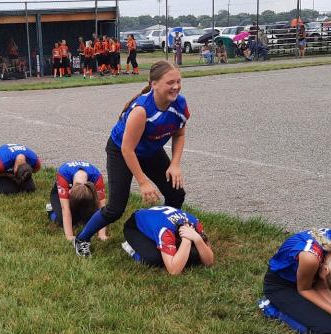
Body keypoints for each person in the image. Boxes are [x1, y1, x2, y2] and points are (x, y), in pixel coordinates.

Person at [73, 60, 188, 257]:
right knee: (115, 208)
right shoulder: (141, 110)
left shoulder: (180, 103)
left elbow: (179, 134)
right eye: (170, 82)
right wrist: (143, 182)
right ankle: (82, 239)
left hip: (149, 150)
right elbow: (127, 149)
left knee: (176, 193)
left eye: (178, 81)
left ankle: (163, 231)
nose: (176, 86)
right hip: (121, 151)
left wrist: (175, 164)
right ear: (154, 84)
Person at [259, 228, 331, 334]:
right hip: (282, 285)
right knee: (329, 333)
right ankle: (272, 308)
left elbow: (322, 287)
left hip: (310, 281)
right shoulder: (310, 259)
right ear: (325, 270)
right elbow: (305, 289)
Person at [122, 205, 215, 275]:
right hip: (136, 227)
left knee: (195, 255)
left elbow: (209, 261)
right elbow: (174, 271)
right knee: (154, 259)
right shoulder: (166, 231)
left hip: (159, 220)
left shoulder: (195, 223)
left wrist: (197, 238)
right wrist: (187, 241)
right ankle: (129, 246)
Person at [48, 161, 108, 241]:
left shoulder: (97, 177)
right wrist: (69, 235)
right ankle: (51, 210)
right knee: (63, 220)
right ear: (70, 191)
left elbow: (102, 208)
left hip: (85, 196)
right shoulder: (63, 174)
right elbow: (65, 208)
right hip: (59, 194)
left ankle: (80, 213)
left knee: (90, 220)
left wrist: (102, 234)